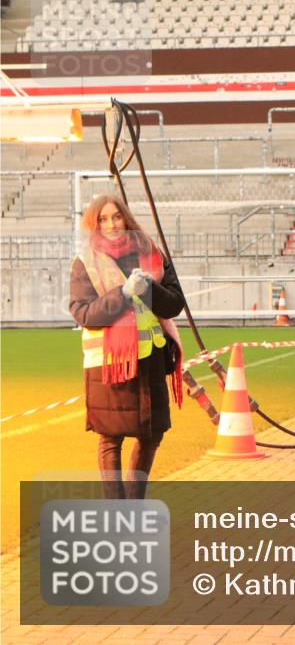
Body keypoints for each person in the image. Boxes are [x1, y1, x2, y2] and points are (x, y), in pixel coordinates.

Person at [68, 195, 185, 500]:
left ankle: (134, 502)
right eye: (103, 219)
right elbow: (84, 314)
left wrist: (150, 289)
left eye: (116, 217)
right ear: (94, 225)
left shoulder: (150, 252)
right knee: (111, 436)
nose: (111, 225)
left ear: (127, 218)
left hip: (151, 360)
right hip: (109, 363)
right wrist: (123, 293)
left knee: (152, 433)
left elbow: (174, 304)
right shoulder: (86, 262)